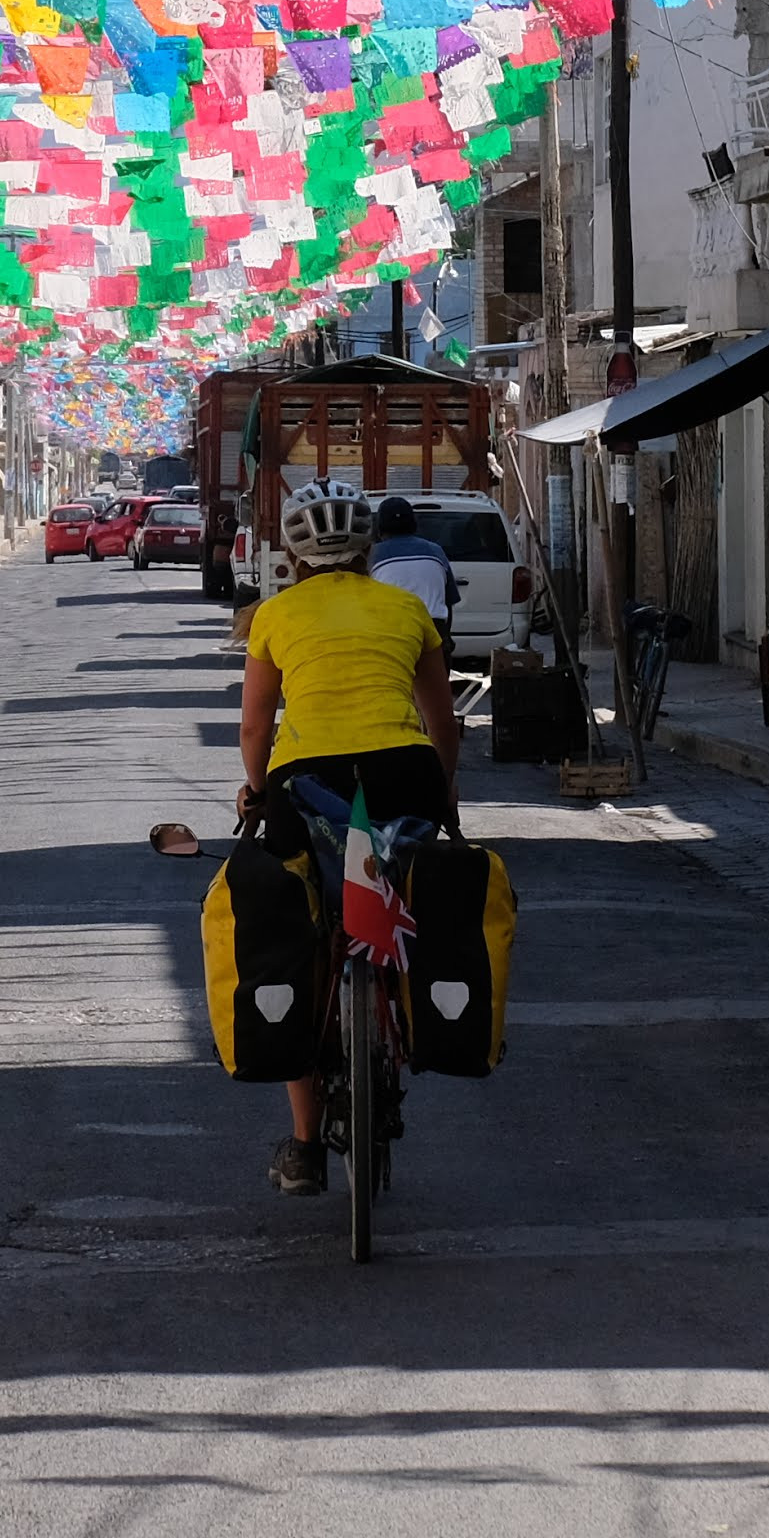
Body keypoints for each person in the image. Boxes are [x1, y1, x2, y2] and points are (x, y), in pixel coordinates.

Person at [238, 484, 458, 1196]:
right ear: (369, 550)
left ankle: (304, 1147)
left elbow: (255, 726)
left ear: (294, 555)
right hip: (405, 774)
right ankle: (407, 1003)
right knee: (414, 894)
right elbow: (441, 717)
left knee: (294, 937)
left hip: (306, 784)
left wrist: (256, 790)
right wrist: (444, 788)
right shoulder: (408, 608)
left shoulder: (274, 615)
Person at [366, 494, 458, 635]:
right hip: (434, 627)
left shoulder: (372, 555)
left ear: (378, 527)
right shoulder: (435, 551)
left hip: (393, 630)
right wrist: (445, 639)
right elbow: (448, 602)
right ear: (413, 524)